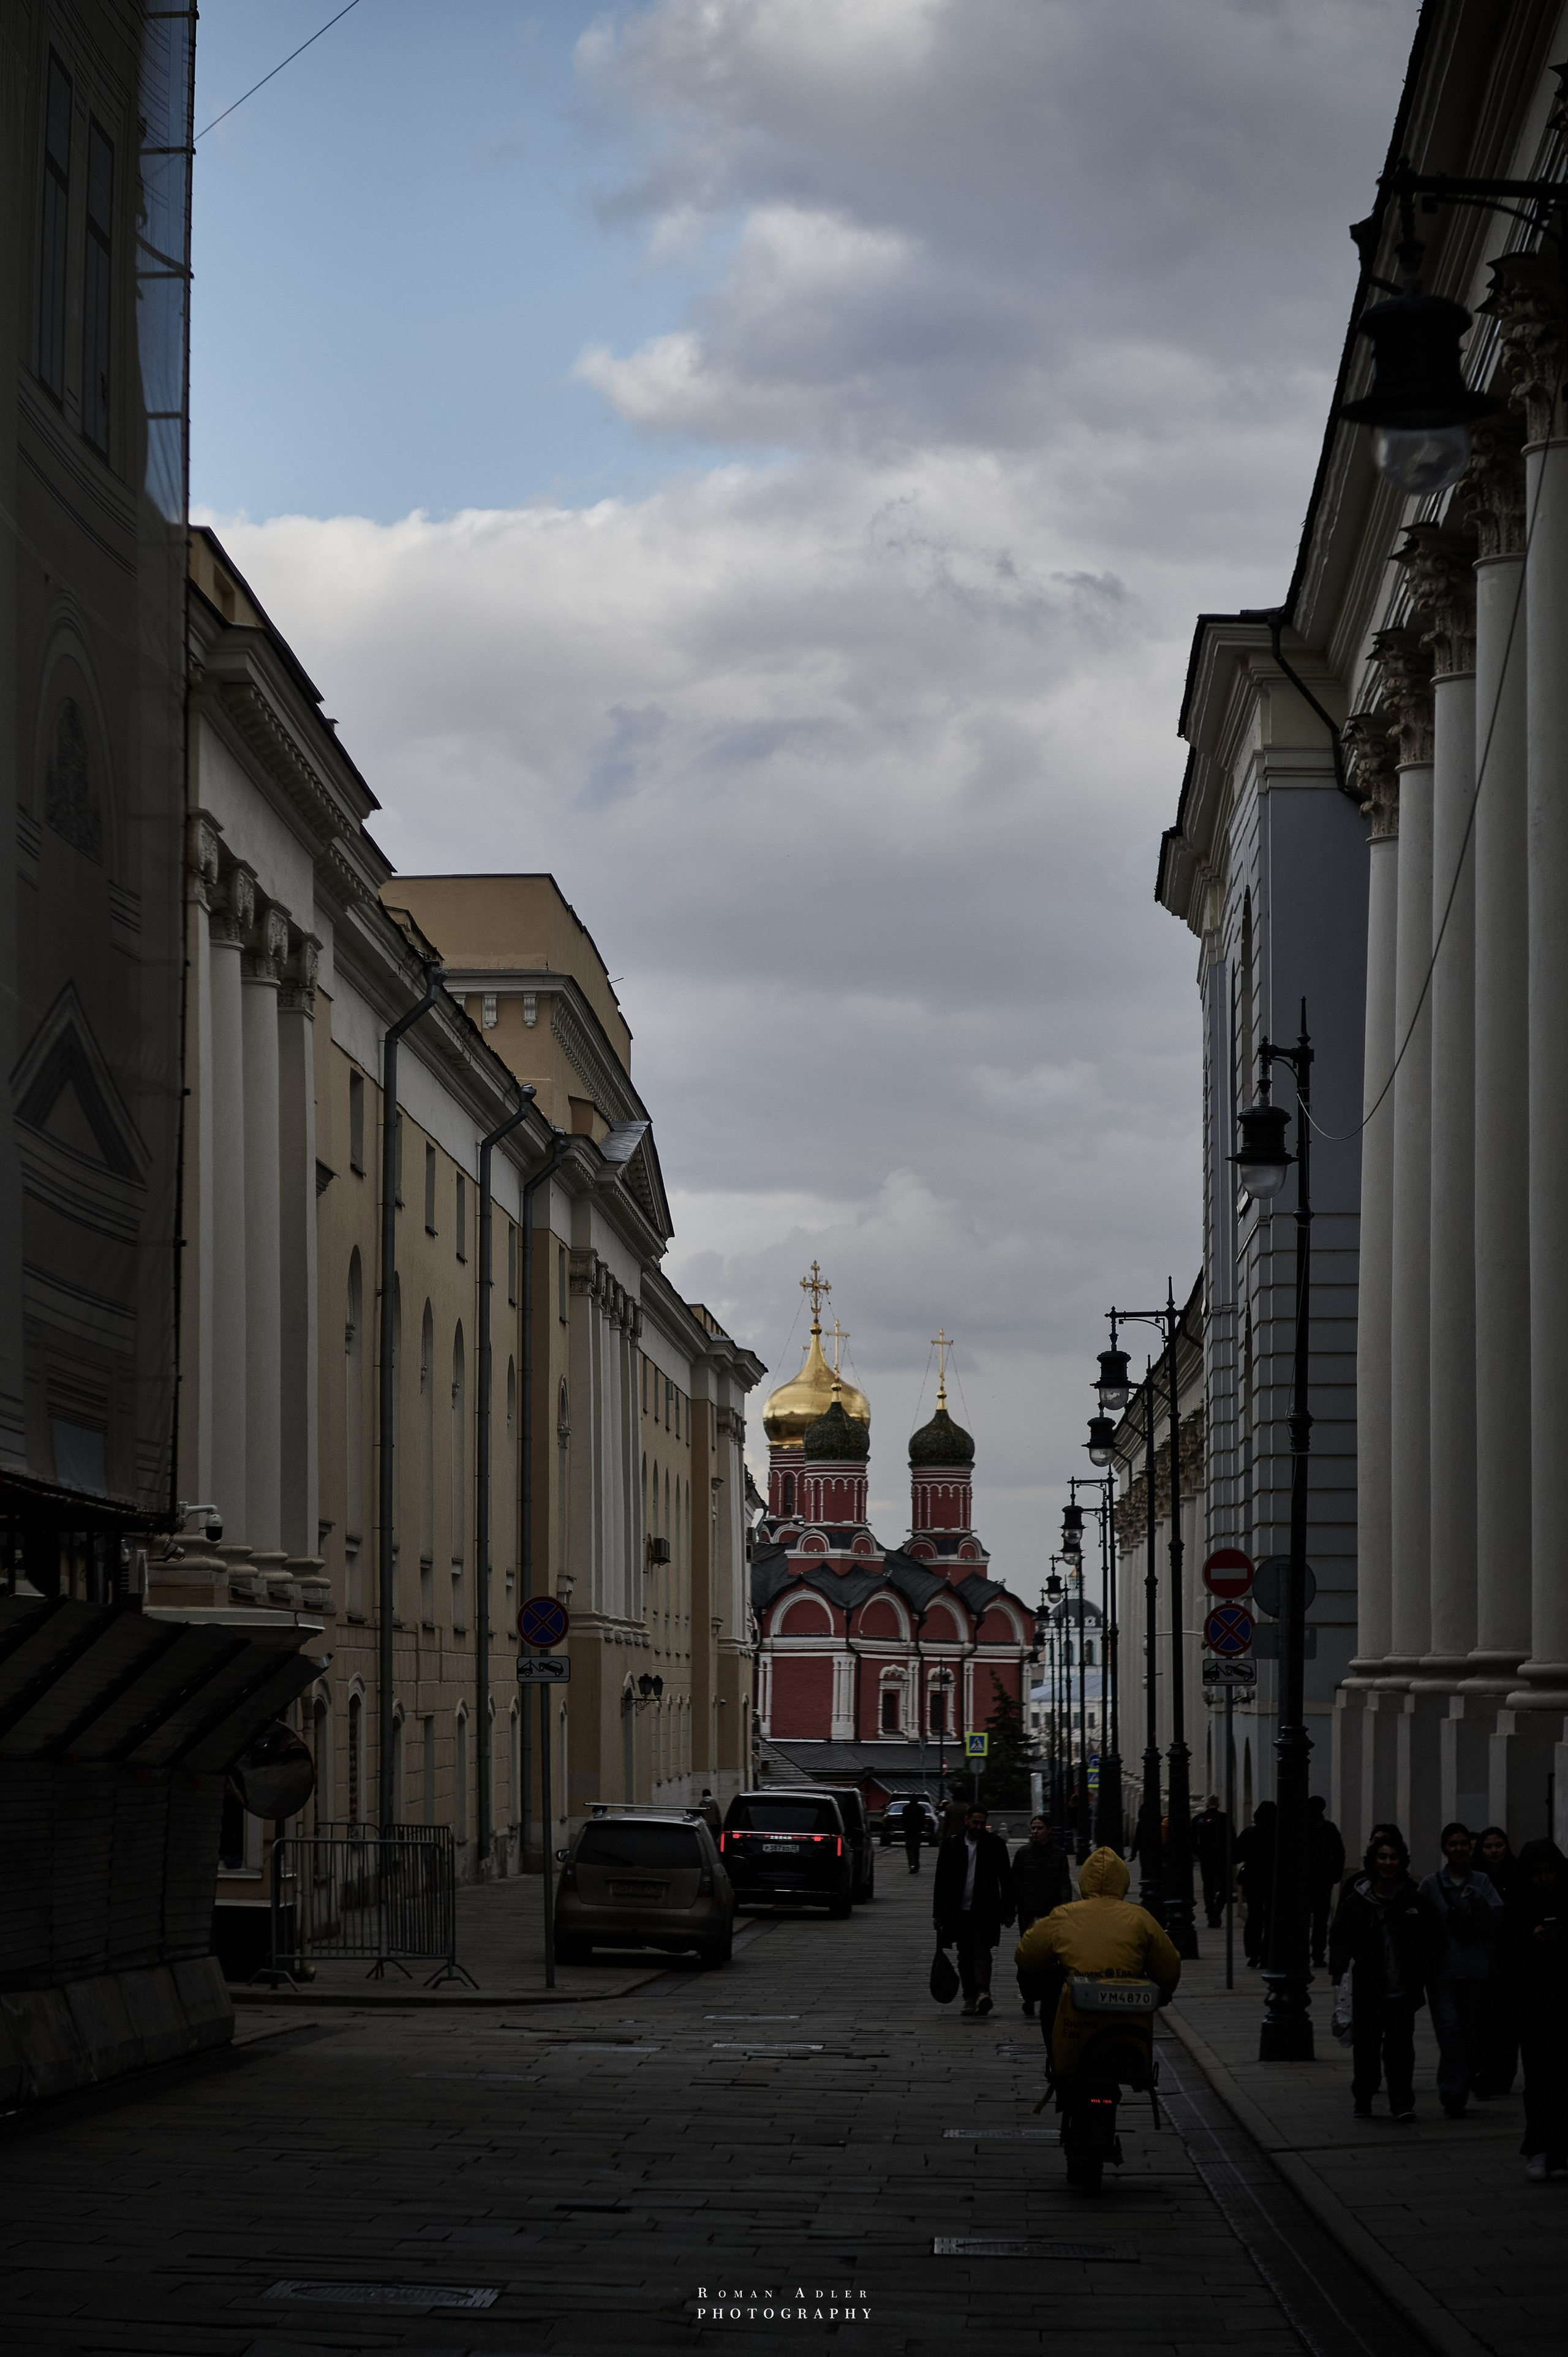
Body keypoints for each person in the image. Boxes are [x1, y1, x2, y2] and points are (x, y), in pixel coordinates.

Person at [1014, 1846, 1182, 2082]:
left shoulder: (1066, 1915)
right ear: (1122, 1881)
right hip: (1127, 2010)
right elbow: (1170, 1966)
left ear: (1084, 1880)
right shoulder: (1140, 1917)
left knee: (1052, 1994)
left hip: (1077, 2013)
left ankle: (1057, 2063)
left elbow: (1026, 1954)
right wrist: (1163, 1991)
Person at [1329, 1828, 1431, 2122]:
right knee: (1367, 2049)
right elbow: (1339, 1938)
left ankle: (1402, 2102)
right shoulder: (1356, 1902)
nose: (1388, 1863)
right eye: (1382, 1857)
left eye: (1394, 1857)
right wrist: (1341, 1970)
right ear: (1373, 1861)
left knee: (1401, 2050)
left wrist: (1421, 1970)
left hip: (1402, 1989)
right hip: (1367, 1989)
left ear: (1402, 1861)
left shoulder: (1413, 1899)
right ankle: (1364, 2096)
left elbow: (1431, 1936)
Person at [1419, 1821, 1502, 2119]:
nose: (1458, 1849)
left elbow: (1495, 1922)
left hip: (1473, 1969)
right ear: (1445, 1848)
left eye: (1463, 1844)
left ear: (1470, 1848)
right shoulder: (1430, 1884)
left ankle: (1459, 2090)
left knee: (1467, 2033)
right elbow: (1419, 1924)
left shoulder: (1481, 1881)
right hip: (1441, 1971)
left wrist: (1476, 1899)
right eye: (1453, 1844)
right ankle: (1452, 2091)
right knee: (1449, 2029)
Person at [1501, 1839, 1568, 2180]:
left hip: (1563, 2004)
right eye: (1538, 1873)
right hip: (1532, 2007)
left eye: (1549, 1872)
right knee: (1539, 2078)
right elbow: (1506, 1954)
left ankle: (1559, 2151)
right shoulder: (1517, 1908)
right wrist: (1532, 1939)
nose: (1544, 1879)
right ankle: (1539, 2148)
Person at [933, 1802, 1014, 2018]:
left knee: (982, 1951)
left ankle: (983, 1992)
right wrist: (938, 1914)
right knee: (964, 1954)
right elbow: (941, 1881)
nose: (979, 1827)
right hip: (958, 1910)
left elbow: (1006, 1879)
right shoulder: (952, 1844)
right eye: (975, 1822)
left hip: (985, 1909)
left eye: (982, 1823)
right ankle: (969, 1996)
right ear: (967, 1821)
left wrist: (1009, 1911)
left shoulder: (995, 1844)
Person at [1473, 1827, 1519, 2096]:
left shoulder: (1517, 1874)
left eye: (1498, 1845)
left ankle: (1503, 2074)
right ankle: (1484, 2072)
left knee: (1507, 2020)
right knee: (1484, 2021)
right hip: (1483, 1957)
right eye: (1488, 1846)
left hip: (1509, 1958)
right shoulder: (1476, 1876)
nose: (1493, 1851)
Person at [1012, 1816, 1074, 2014]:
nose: (1035, 1832)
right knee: (1029, 1956)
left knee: (1052, 1957)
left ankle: (1048, 1994)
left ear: (1049, 1830)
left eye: (1039, 1828)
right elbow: (1015, 1883)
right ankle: (1029, 1996)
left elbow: (1064, 1884)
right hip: (1029, 1913)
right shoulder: (1023, 1854)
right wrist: (1011, 1909)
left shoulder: (1059, 1855)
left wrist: (1064, 1910)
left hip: (1051, 1913)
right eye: (1033, 1828)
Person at [1234, 1801, 1277, 1968]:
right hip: (1273, 1880)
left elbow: (1236, 1855)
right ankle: (1267, 1954)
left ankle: (1253, 1954)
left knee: (1254, 1917)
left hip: (1253, 1881)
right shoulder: (1279, 1834)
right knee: (1272, 1919)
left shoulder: (1250, 1833)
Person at [1308, 1797, 1346, 1966]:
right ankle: (1318, 1953)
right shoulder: (1328, 1828)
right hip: (1323, 1880)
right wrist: (1335, 1874)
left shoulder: (1303, 1828)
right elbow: (1339, 1853)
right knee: (1321, 1919)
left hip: (1311, 1880)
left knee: (1310, 1918)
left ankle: (1311, 1952)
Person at [1191, 1795, 1230, 1929]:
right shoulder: (1224, 1818)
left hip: (1205, 1858)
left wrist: (1198, 1854)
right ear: (1218, 1805)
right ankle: (1217, 1910)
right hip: (1221, 1858)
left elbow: (1192, 1839)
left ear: (1207, 1804)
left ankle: (1210, 1913)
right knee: (1225, 1886)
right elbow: (1232, 1838)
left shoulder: (1198, 1819)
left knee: (1208, 1886)